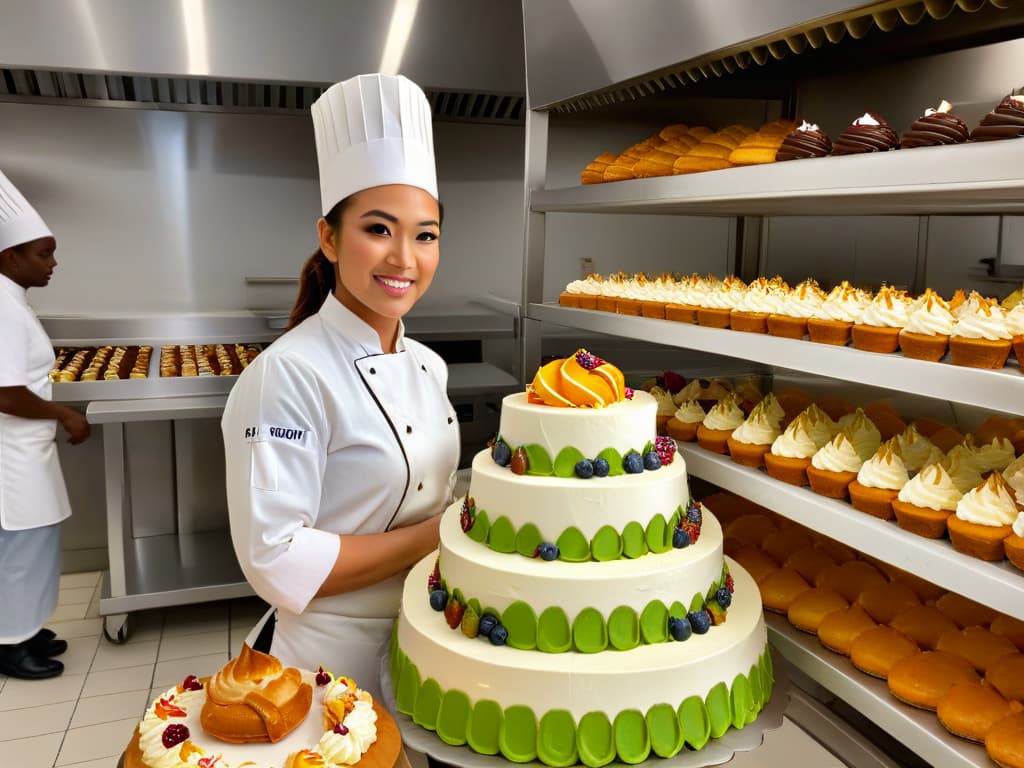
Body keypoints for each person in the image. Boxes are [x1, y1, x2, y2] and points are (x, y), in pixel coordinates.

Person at [222, 73, 460, 700]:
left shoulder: (429, 366)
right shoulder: (287, 374)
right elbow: (276, 558)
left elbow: (429, 492)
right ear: (329, 237)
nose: (404, 259)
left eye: (425, 234)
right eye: (378, 229)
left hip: (428, 642)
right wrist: (447, 532)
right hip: (322, 668)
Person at [0, 171, 90, 680]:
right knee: (19, 547)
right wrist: (65, 414)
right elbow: (5, 393)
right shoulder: (2, 308)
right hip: (11, 458)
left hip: (28, 451)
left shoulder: (12, 300)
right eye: (43, 253)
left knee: (34, 544)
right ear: (10, 255)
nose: (53, 264)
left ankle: (26, 627)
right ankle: (9, 644)